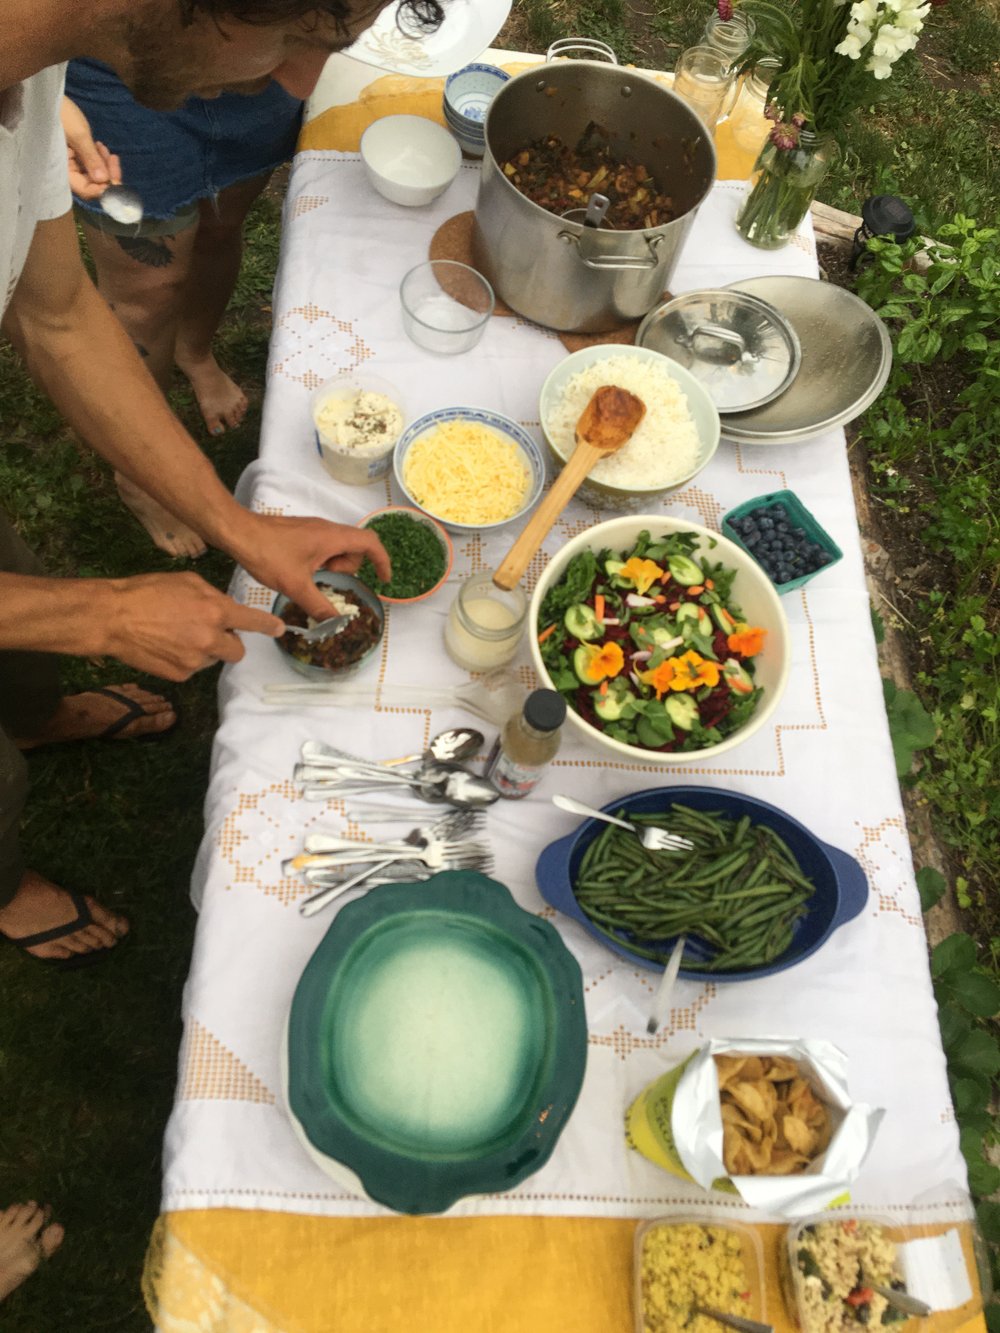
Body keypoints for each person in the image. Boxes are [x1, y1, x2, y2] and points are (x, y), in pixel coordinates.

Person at [1, 0, 444, 1302]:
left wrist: (233, 523)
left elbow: (64, 314)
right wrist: (91, 611)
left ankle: (35, 708)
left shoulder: (26, 83)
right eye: (306, 31)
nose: (309, 79)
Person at [61, 73, 305, 557]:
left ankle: (194, 353)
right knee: (146, 291)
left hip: (262, 62)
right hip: (120, 74)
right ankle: (140, 474)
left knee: (220, 226)